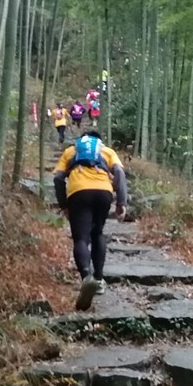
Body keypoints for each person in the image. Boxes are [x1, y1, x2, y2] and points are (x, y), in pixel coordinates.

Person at [54, 130, 128, 310]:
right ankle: (100, 280)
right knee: (98, 233)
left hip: (78, 193)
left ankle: (87, 277)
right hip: (103, 192)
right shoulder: (107, 151)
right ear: (98, 140)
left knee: (80, 238)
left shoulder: (71, 151)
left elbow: (57, 178)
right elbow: (119, 172)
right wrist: (121, 202)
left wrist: (63, 204)